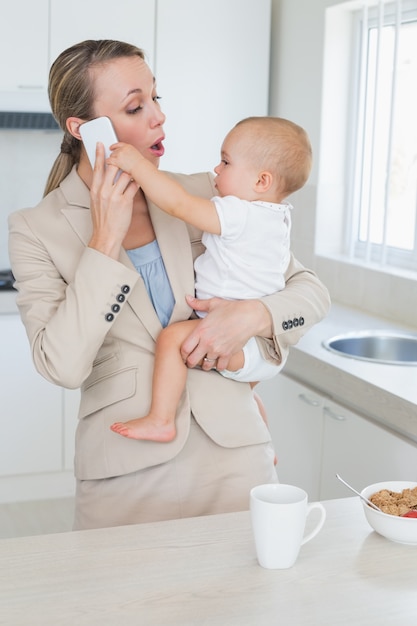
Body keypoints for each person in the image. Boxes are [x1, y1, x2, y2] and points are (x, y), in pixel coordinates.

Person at [8, 40, 330, 530]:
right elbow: (63, 366)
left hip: (235, 458)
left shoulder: (207, 193)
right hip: (123, 471)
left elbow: (310, 292)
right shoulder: (35, 227)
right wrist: (104, 241)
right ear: (83, 129)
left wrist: (254, 315)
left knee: (245, 605)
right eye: (137, 106)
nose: (158, 117)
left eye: (157, 98)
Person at [108, 116, 312, 443]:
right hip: (265, 349)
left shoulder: (240, 214)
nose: (216, 170)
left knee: (172, 340)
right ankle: (264, 439)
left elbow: (178, 204)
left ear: (261, 181)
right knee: (242, 397)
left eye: (226, 162)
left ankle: (161, 419)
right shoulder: (277, 216)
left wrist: (136, 164)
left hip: (244, 342)